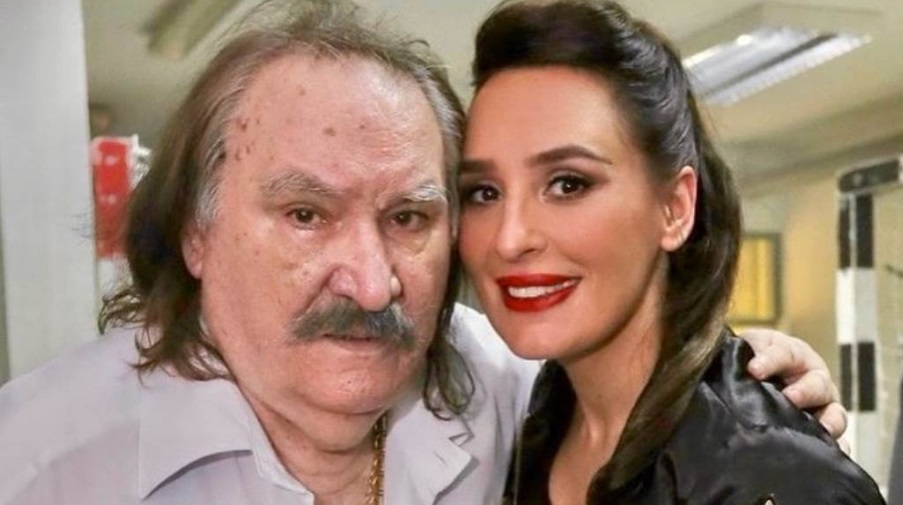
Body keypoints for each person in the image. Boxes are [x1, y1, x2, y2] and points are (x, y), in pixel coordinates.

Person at [0, 1, 848, 504]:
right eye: (305, 213)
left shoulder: (501, 385)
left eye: (408, 216)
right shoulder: (37, 463)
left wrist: (742, 375)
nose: (372, 284)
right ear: (196, 230)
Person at [457, 1, 884, 504]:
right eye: (483, 192)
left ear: (675, 208)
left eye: (568, 184)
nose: (509, 238)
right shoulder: (535, 424)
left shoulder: (768, 470)